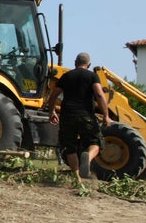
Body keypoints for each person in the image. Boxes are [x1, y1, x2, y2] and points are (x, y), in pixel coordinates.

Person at [46, 52, 112, 185]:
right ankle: (87, 158)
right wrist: (106, 115)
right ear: (89, 64)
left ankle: (77, 180)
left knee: (69, 147)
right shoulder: (92, 76)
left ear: (75, 63)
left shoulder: (66, 76)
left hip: (67, 116)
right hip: (86, 116)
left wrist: (52, 112)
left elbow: (53, 96)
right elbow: (99, 94)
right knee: (96, 142)